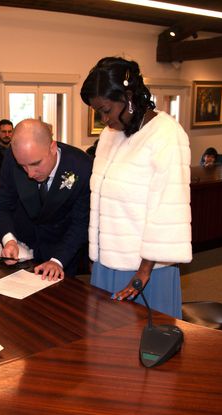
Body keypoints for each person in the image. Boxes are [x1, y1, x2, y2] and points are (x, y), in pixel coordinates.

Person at [80, 57, 192, 319]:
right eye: (98, 112)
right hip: (107, 263)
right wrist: (96, 256)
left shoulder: (166, 134)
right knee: (104, 349)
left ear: (128, 97)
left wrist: (142, 274)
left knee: (142, 349)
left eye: (106, 110)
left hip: (146, 270)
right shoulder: (111, 134)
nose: (104, 119)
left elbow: (166, 210)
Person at [0, 119, 92, 281]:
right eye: (23, 167)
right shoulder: (13, 156)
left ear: (52, 148)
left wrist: (57, 261)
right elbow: (3, 205)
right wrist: (10, 241)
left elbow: (81, 223)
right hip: (23, 252)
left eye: (36, 164)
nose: (30, 174)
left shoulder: (82, 167)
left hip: (63, 253)